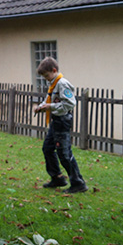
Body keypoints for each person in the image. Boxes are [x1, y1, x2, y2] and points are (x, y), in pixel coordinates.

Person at [33, 57, 88, 194]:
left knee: (64, 154)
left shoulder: (62, 83)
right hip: (56, 120)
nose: (46, 79)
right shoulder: (53, 83)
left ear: (54, 70)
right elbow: (49, 99)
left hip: (63, 121)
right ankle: (57, 178)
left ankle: (78, 183)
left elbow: (70, 103)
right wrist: (41, 107)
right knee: (47, 148)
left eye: (46, 75)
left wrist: (50, 106)